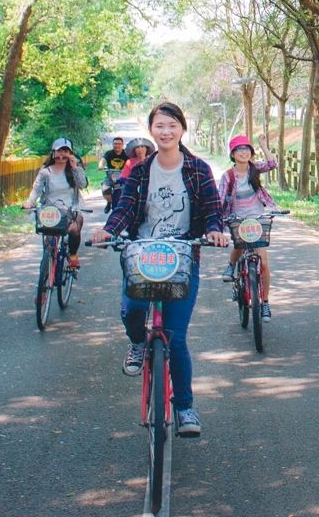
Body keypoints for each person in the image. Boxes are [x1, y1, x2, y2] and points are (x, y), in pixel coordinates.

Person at [89, 102, 226, 438]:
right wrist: (108, 230)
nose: (166, 132)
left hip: (182, 256)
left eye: (172, 125)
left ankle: (184, 408)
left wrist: (215, 230)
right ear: (151, 130)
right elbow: (124, 209)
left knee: (175, 338)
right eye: (160, 126)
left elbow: (212, 209)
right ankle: (138, 342)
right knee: (132, 310)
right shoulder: (139, 171)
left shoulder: (198, 169)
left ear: (182, 129)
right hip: (142, 255)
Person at [219, 133, 278, 321]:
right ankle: (231, 266)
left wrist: (263, 145)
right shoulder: (228, 176)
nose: (243, 152)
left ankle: (265, 303)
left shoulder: (255, 169)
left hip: (257, 218)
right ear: (233, 154)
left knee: (264, 263)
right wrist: (218, 221)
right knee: (239, 245)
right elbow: (221, 199)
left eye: (246, 149)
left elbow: (272, 164)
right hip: (237, 218)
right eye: (239, 149)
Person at [22, 137, 88, 267]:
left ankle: (73, 255)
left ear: (70, 154)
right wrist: (30, 202)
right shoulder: (45, 172)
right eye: (59, 151)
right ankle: (48, 262)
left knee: (75, 229)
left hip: (71, 207)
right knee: (48, 237)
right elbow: (36, 190)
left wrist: (75, 168)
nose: (62, 155)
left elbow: (82, 185)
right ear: (53, 153)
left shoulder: (75, 170)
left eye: (65, 151)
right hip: (50, 209)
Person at [99, 136, 128, 213]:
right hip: (110, 177)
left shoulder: (126, 154)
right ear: (112, 144)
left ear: (122, 145)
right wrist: (101, 166)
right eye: (115, 144)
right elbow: (103, 160)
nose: (117, 145)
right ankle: (109, 202)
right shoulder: (109, 153)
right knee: (105, 189)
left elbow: (131, 162)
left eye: (119, 144)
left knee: (126, 189)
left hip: (122, 177)